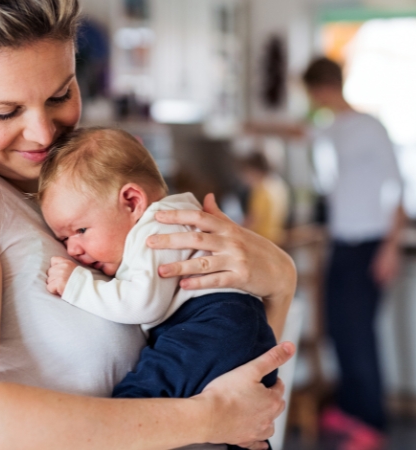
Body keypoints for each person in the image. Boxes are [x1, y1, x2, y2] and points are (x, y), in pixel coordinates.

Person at [0, 0, 297, 448]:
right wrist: (208, 420)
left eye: (60, 95)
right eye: (5, 112)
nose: (43, 133)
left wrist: (279, 282)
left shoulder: (73, 191)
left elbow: (232, 377)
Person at [37, 128, 277, 407]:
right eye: (64, 239)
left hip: (214, 324)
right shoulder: (165, 222)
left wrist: (77, 285)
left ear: (132, 202)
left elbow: (141, 304)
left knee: (143, 394)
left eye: (80, 230)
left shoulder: (158, 230)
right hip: (225, 329)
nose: (73, 249)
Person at [246, 57, 405, 450]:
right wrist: (252, 126)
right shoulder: (330, 127)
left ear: (320, 89)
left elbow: (399, 189)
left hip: (369, 245)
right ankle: (350, 409)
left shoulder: (370, 127)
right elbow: (297, 131)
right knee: (338, 330)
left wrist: (391, 248)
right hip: (342, 243)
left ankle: (371, 422)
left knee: (359, 335)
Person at [237, 152, 290, 245]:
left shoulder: (261, 189)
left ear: (253, 170)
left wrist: (235, 230)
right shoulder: (278, 184)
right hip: (277, 238)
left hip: (262, 241)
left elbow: (253, 221)